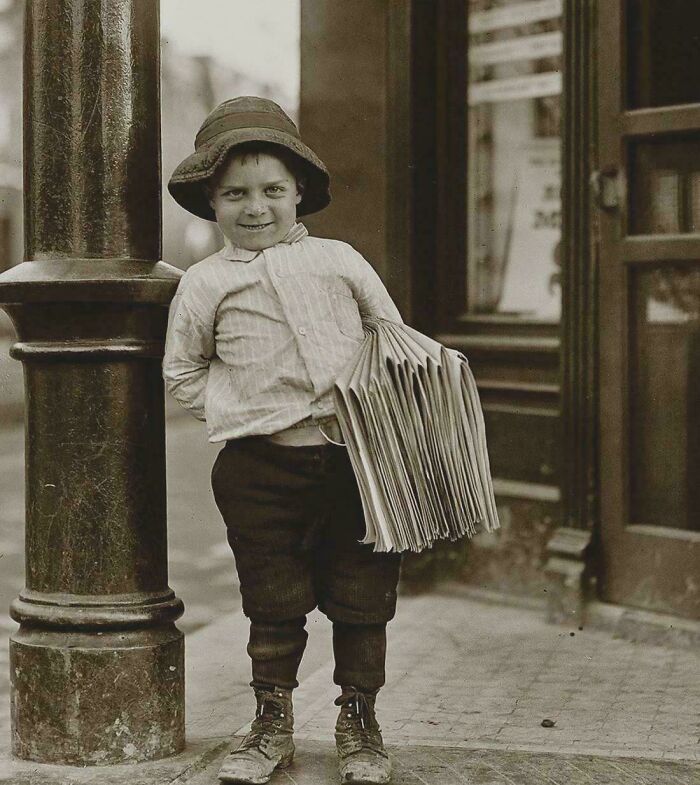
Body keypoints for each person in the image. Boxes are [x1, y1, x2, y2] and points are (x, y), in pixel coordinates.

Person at [163, 96, 403, 785]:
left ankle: (360, 720)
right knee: (272, 599)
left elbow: (391, 339)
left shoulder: (340, 261)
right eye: (235, 193)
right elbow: (183, 369)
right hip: (256, 468)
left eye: (272, 190)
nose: (256, 206)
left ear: (299, 189)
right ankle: (271, 721)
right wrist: (238, 406)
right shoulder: (206, 282)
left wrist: (377, 408)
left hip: (354, 464)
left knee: (363, 597)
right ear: (211, 201)